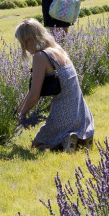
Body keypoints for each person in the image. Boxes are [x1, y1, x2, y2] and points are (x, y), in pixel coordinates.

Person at [14, 19, 94, 151]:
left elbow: (34, 95)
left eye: (24, 43)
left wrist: (23, 115)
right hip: (81, 113)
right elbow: (32, 90)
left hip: (64, 113)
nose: (24, 47)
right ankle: (77, 138)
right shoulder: (56, 49)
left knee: (36, 145)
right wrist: (20, 110)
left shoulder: (40, 56)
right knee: (54, 137)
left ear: (30, 39)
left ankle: (65, 141)